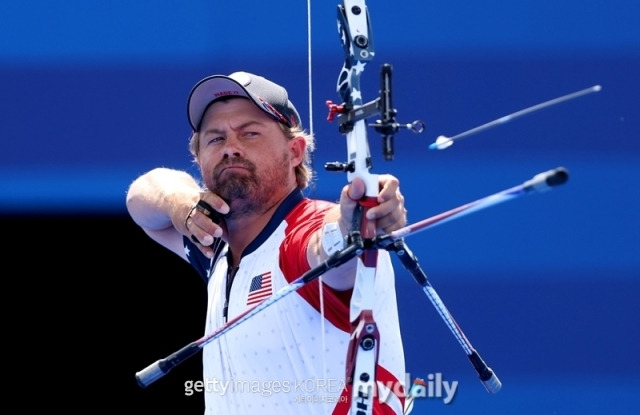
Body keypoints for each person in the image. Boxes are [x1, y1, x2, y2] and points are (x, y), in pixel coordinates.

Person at [126, 71, 409, 414]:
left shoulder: (303, 232)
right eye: (215, 139)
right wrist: (179, 204)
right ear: (198, 159)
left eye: (250, 133)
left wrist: (356, 222)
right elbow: (142, 199)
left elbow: (331, 248)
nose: (231, 148)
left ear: (295, 151)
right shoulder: (213, 245)